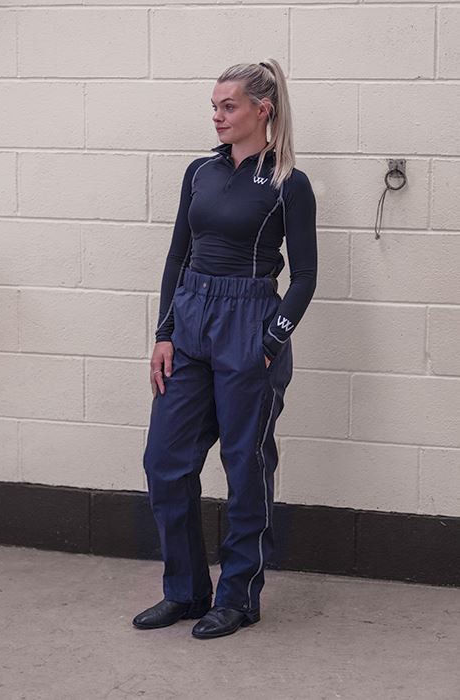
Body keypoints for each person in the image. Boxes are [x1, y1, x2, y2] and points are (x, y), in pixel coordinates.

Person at [132, 58, 318, 639]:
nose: (217, 116)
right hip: (190, 321)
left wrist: (270, 342)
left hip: (248, 325)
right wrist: (164, 333)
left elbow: (306, 276)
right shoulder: (199, 173)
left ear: (263, 109)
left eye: (228, 106)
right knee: (165, 461)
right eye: (214, 106)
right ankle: (186, 592)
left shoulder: (288, 182)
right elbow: (177, 256)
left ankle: (237, 598)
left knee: (245, 465)